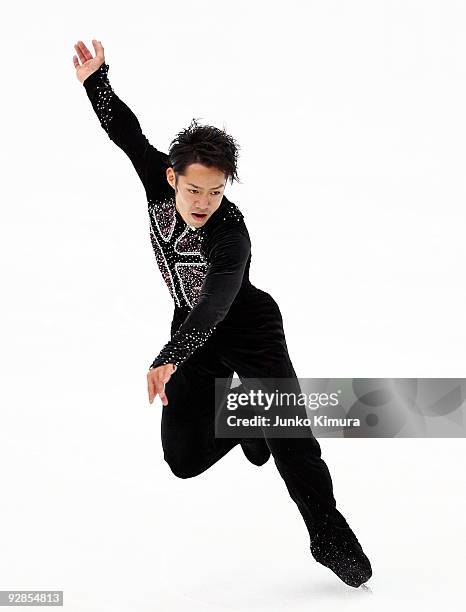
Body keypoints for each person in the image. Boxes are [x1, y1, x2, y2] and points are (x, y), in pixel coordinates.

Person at [73, 39, 373, 589]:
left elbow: (218, 297)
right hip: (192, 330)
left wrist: (168, 355)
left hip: (248, 328)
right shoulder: (156, 178)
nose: (201, 203)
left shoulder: (231, 234)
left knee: (291, 437)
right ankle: (245, 417)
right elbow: (126, 133)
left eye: (213, 191)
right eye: (192, 189)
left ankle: (328, 532)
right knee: (183, 460)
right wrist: (98, 81)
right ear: (172, 177)